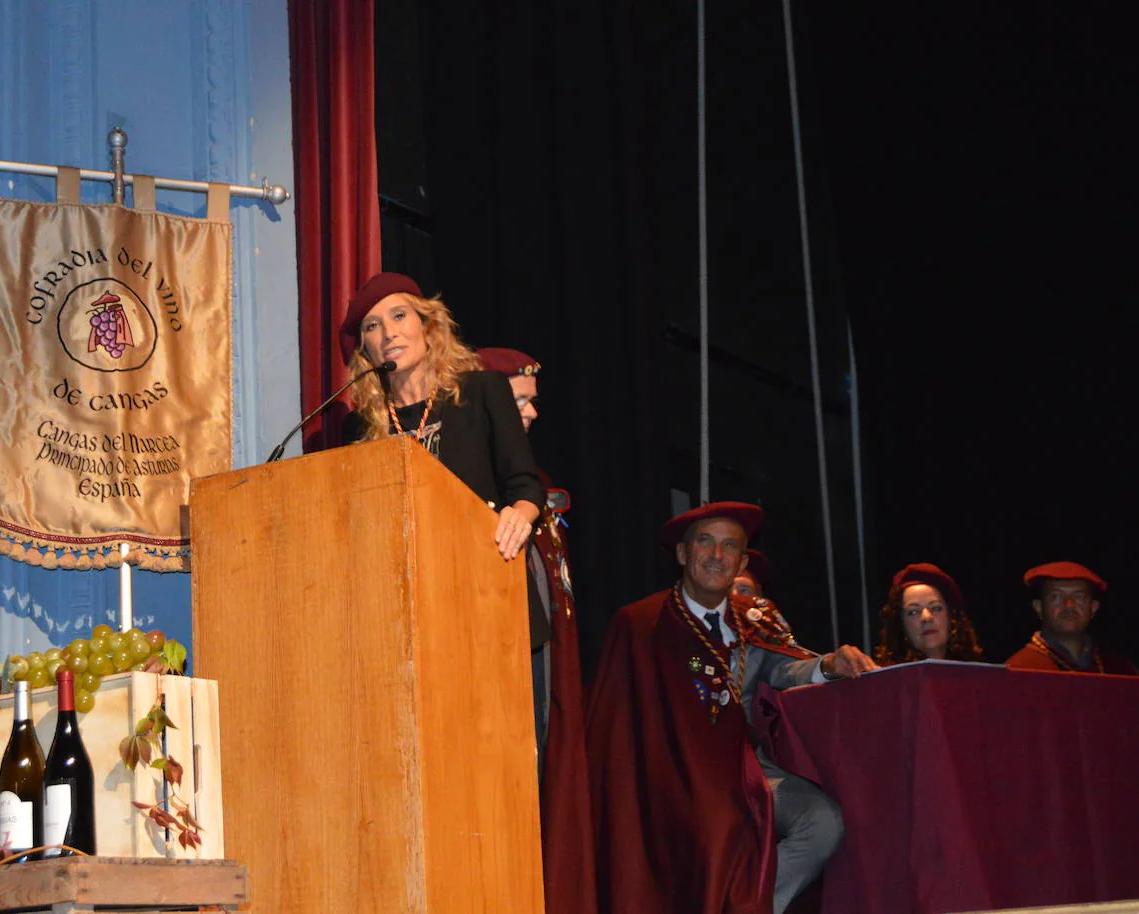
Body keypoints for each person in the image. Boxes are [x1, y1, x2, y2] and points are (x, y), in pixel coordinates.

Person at [586, 501, 876, 914]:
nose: (717, 556)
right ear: (684, 554)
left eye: (729, 546)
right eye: (706, 543)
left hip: (748, 770)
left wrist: (830, 665)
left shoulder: (754, 619)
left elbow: (786, 669)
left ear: (741, 560)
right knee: (719, 823)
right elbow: (617, 723)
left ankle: (750, 906)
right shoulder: (642, 623)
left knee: (825, 823)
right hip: (670, 776)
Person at [477, 346, 595, 914]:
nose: (532, 413)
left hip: (543, 672)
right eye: (521, 401)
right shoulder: (478, 482)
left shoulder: (534, 489)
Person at [338, 273, 545, 566]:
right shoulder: (359, 427)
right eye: (373, 326)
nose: (388, 333)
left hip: (487, 568)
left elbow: (525, 484)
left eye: (399, 316)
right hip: (407, 580)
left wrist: (519, 516)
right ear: (365, 350)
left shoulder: (482, 390)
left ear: (427, 325)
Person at [1005, 561, 1137, 675]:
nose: (1069, 605)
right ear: (1039, 608)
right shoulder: (1020, 669)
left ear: (1093, 608)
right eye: (1056, 597)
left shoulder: (1119, 669)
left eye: (1078, 597)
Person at [873, 563, 985, 665]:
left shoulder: (979, 677)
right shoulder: (883, 681)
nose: (926, 617)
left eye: (936, 608)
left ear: (951, 617)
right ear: (901, 624)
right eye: (913, 612)